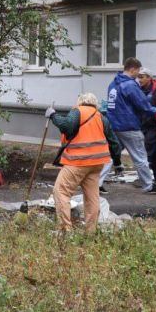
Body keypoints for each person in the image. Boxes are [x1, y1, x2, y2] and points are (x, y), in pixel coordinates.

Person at [45, 93, 118, 232]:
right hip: (97, 164)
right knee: (92, 198)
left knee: (61, 191)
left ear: (80, 102)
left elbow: (66, 125)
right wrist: (118, 162)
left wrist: (53, 115)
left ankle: (65, 230)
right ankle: (91, 231)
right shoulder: (101, 117)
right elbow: (114, 142)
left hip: (78, 162)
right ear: (95, 103)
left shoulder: (77, 111)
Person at [106, 57, 156, 194]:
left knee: (109, 156)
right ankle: (148, 186)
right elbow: (142, 103)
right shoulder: (129, 85)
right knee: (140, 157)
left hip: (114, 126)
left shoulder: (113, 84)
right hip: (129, 126)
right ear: (132, 69)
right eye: (138, 71)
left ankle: (96, 184)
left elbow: (111, 105)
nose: (138, 75)